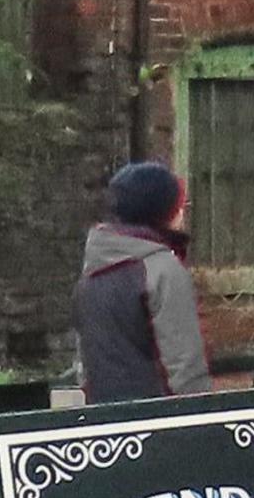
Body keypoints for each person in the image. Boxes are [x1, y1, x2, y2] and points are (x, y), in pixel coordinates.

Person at [78, 159, 211, 402]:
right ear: (164, 212)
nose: (183, 211)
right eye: (179, 205)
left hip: (106, 425)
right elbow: (185, 367)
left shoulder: (93, 270)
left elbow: (85, 366)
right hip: (157, 420)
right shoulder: (161, 269)